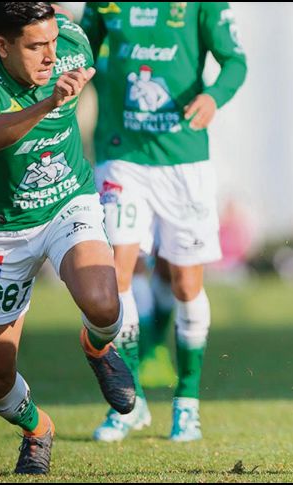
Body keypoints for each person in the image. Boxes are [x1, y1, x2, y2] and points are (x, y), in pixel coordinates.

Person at [0, 2, 135, 475]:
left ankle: (96, 346)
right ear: (3, 45)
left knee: (103, 304)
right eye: (36, 46)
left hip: (67, 203)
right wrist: (48, 102)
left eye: (53, 42)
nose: (52, 56)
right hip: (0, 232)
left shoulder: (72, 40)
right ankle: (37, 429)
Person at [81, 2, 247, 442]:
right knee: (113, 277)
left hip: (184, 162)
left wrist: (214, 96)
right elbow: (81, 49)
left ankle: (187, 403)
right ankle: (128, 403)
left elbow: (235, 60)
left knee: (186, 286)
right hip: (121, 156)